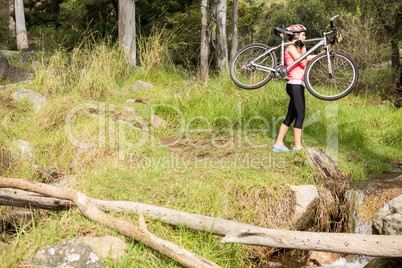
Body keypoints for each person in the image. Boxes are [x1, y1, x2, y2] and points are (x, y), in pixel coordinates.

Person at [273, 24, 316, 153]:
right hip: (294, 84)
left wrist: (322, 53)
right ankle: (297, 146)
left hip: (298, 85)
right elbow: (302, 62)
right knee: (301, 114)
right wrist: (303, 46)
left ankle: (278, 144)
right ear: (296, 35)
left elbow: (307, 58)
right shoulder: (291, 47)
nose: (306, 37)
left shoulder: (297, 49)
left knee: (291, 116)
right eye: (303, 35)